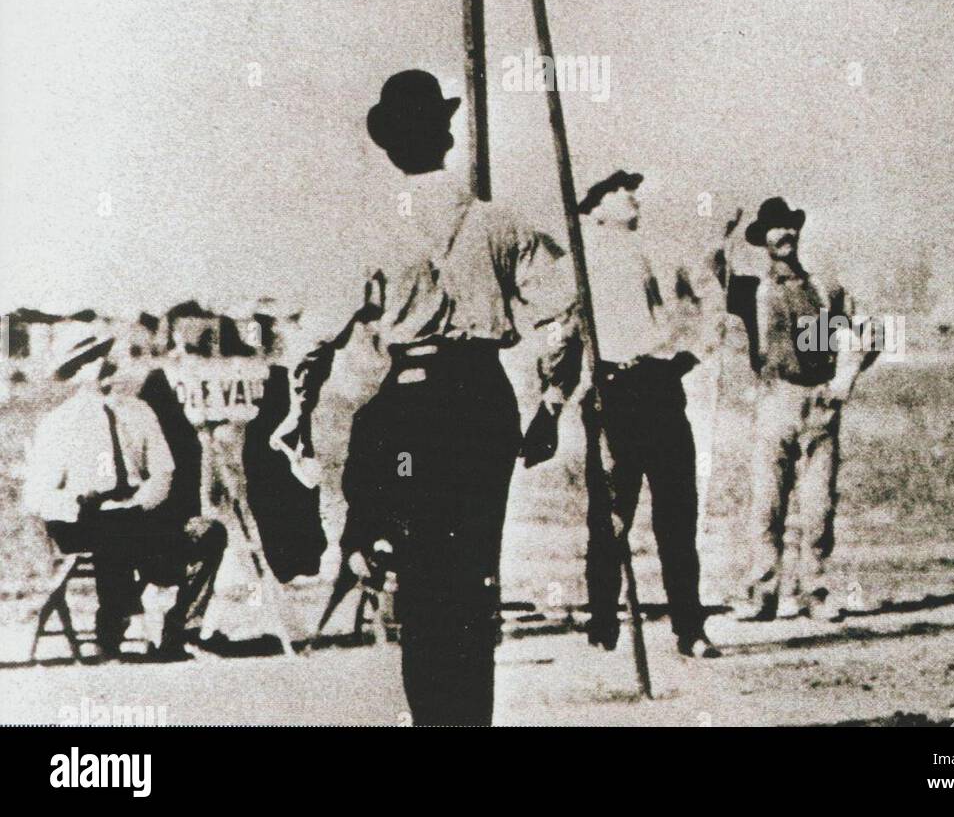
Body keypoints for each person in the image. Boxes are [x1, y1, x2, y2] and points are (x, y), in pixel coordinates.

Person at [276, 69, 574, 727]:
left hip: (411, 404)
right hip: (482, 405)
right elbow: (561, 316)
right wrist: (552, 401)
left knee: (421, 578)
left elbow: (312, 339)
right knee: (474, 576)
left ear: (390, 148)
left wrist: (294, 418)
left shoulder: (372, 229)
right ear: (445, 134)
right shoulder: (500, 222)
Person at [539, 168, 720, 659]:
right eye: (618, 189)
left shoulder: (651, 249)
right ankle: (603, 624)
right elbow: (560, 330)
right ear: (595, 207)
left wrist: (693, 354)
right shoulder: (580, 258)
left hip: (660, 387)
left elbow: (705, 298)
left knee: (678, 514)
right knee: (611, 516)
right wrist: (555, 393)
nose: (631, 195)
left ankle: (690, 626)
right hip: (612, 391)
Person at [23, 338, 226, 660]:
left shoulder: (140, 411)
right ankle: (114, 629)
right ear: (74, 372)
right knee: (115, 527)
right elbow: (37, 494)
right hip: (83, 521)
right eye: (91, 360)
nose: (106, 365)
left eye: (105, 356)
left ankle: (178, 630)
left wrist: (140, 503)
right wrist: (82, 502)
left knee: (209, 532)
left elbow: (162, 473)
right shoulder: (58, 423)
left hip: (139, 514)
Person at [727, 197, 878, 623]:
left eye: (788, 227)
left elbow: (872, 332)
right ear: (763, 241)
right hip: (775, 400)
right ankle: (762, 592)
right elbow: (707, 281)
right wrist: (721, 236)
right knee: (766, 505)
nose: (783, 235)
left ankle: (814, 591)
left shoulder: (823, 291)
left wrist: (844, 380)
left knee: (818, 508)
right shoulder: (750, 292)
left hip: (820, 407)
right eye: (773, 229)